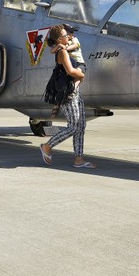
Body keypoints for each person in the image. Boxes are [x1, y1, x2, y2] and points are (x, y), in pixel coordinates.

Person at [39, 24, 95, 169]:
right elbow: (70, 71)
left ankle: (78, 159)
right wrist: (81, 74)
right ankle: (47, 146)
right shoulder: (62, 53)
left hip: (73, 92)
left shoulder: (64, 50)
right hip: (68, 93)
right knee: (74, 126)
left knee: (81, 125)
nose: (68, 36)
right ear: (59, 39)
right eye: (65, 35)